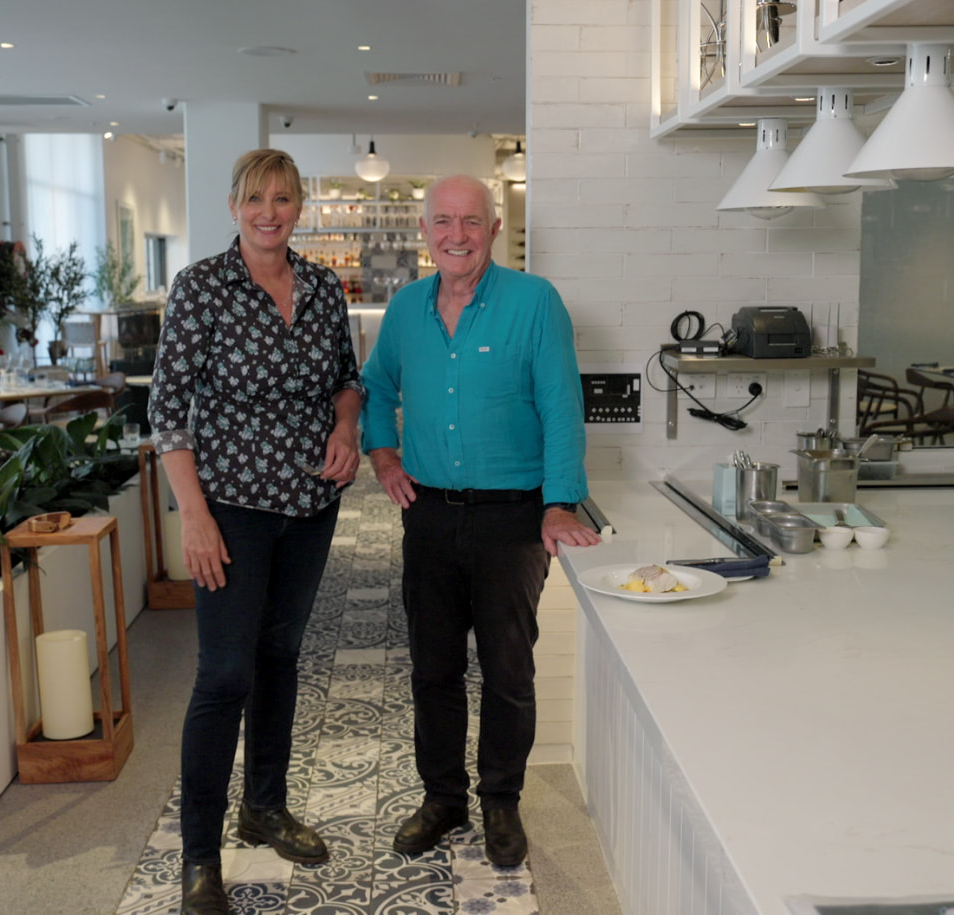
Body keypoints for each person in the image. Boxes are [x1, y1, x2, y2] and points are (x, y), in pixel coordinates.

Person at [360, 174, 602, 868]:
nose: (456, 235)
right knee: (433, 669)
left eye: (470, 221)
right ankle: (443, 799)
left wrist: (560, 502)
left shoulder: (535, 302)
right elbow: (374, 385)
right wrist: (382, 454)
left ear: (494, 228)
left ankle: (500, 800)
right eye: (442, 221)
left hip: (511, 520)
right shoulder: (405, 309)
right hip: (429, 516)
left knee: (507, 669)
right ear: (425, 231)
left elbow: (561, 405)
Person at [147, 148, 363, 915]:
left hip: (309, 505)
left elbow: (346, 379)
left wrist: (346, 428)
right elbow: (166, 411)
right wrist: (194, 515)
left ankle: (264, 805)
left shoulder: (322, 286)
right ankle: (199, 856)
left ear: (299, 205)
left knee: (279, 657)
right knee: (224, 675)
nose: (269, 212)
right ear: (234, 205)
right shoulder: (202, 286)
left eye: (282, 198)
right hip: (230, 508)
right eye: (255, 198)